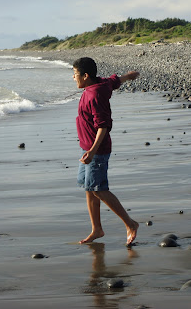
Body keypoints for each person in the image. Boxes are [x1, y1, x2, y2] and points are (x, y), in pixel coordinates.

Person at [73, 57, 139, 246]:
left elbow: (103, 126)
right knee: (89, 188)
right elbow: (113, 81)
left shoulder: (95, 95)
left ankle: (130, 223)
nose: (73, 77)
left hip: (97, 151)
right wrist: (128, 76)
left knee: (99, 190)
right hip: (87, 148)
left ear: (86, 76)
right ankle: (97, 229)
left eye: (75, 74)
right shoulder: (100, 83)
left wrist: (93, 151)